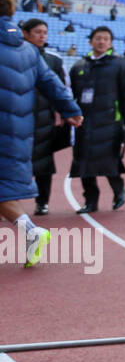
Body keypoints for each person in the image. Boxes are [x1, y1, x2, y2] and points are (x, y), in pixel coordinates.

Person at [1, 0, 81, 265]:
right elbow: (52, 83)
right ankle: (31, 232)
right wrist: (71, 110)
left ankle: (32, 232)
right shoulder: (28, 51)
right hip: (17, 132)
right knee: (3, 191)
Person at [68, 25, 125, 213]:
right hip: (84, 124)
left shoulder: (120, 64)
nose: (101, 41)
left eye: (106, 38)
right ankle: (90, 201)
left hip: (110, 123)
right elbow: (71, 95)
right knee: (83, 164)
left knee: (110, 162)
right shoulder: (79, 66)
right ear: (90, 41)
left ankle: (119, 192)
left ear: (111, 43)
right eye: (98, 38)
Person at [20, 18, 72, 216]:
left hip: (44, 120)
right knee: (10, 163)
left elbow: (63, 89)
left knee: (43, 163)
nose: (42, 36)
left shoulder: (53, 59)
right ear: (25, 33)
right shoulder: (12, 55)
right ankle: (7, 204)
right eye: (37, 32)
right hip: (16, 119)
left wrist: (67, 113)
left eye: (45, 32)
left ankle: (43, 202)